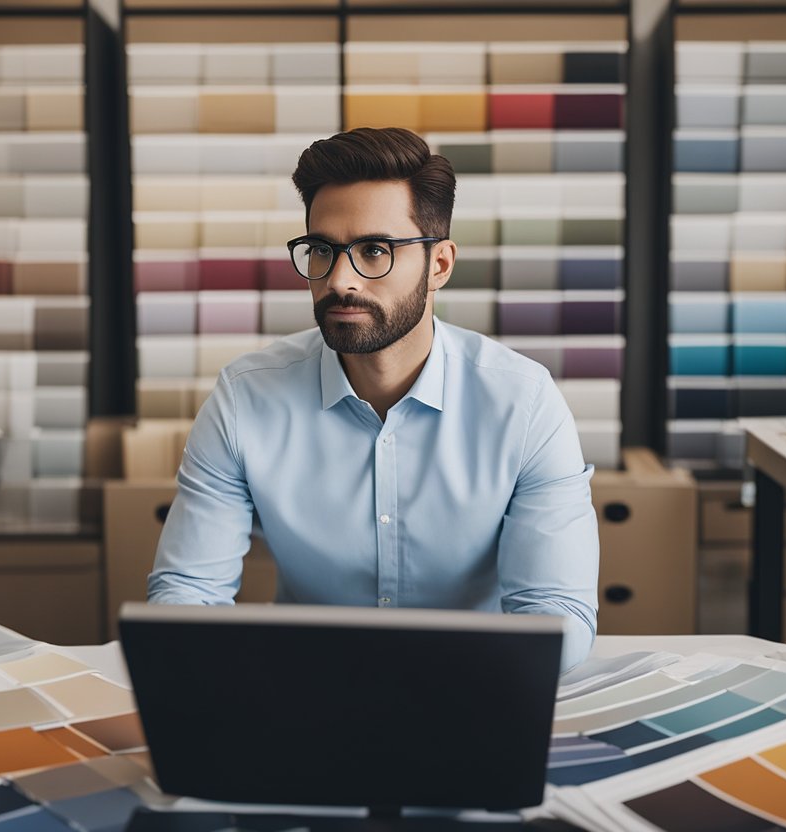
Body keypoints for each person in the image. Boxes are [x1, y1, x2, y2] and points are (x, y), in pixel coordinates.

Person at [147, 127, 599, 670]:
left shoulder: (523, 403)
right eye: (321, 250)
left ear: (440, 266)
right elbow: (186, 594)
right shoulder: (246, 398)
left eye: (375, 250)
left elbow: (558, 615)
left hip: (475, 691)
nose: (340, 280)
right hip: (303, 691)